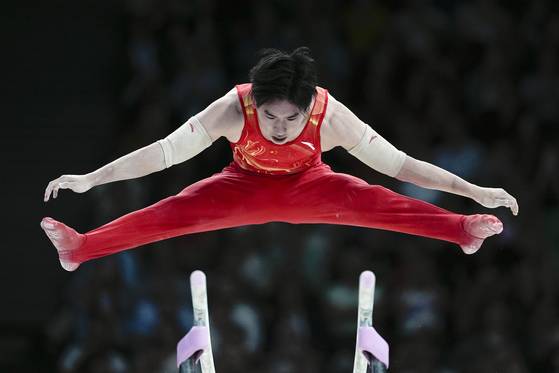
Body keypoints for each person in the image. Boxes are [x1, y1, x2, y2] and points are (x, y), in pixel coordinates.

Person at [41, 47, 519, 272]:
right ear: (256, 104)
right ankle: (81, 248)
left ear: (310, 106)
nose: (281, 128)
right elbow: (162, 154)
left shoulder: (331, 114)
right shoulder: (233, 107)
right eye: (271, 117)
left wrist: (472, 190)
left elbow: (400, 165)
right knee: (172, 213)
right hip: (241, 185)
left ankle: (460, 229)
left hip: (312, 186)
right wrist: (92, 179)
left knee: (377, 201)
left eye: (292, 119)